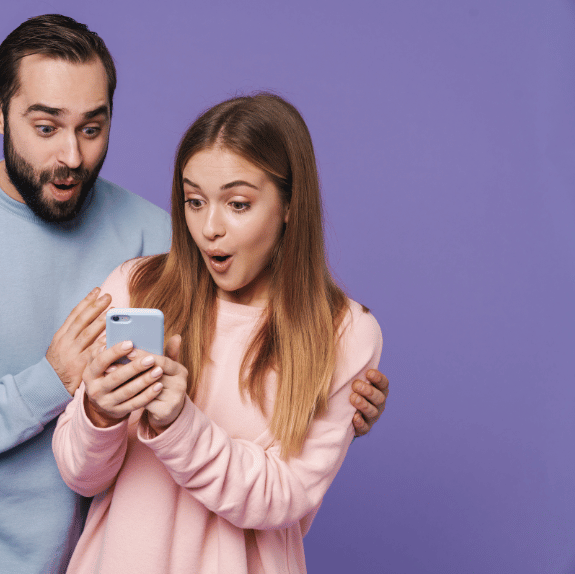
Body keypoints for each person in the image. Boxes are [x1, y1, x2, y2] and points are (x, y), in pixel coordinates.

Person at [0, 14, 389, 574]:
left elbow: (269, 394)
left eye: (91, 127)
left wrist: (332, 389)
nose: (72, 156)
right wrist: (49, 386)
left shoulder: (162, 244)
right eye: (46, 127)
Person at [52, 93, 382, 574]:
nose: (209, 228)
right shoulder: (135, 287)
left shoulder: (345, 334)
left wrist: (176, 424)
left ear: (290, 204)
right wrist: (97, 412)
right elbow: (80, 476)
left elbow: (282, 497)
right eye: (194, 201)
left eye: (238, 204)